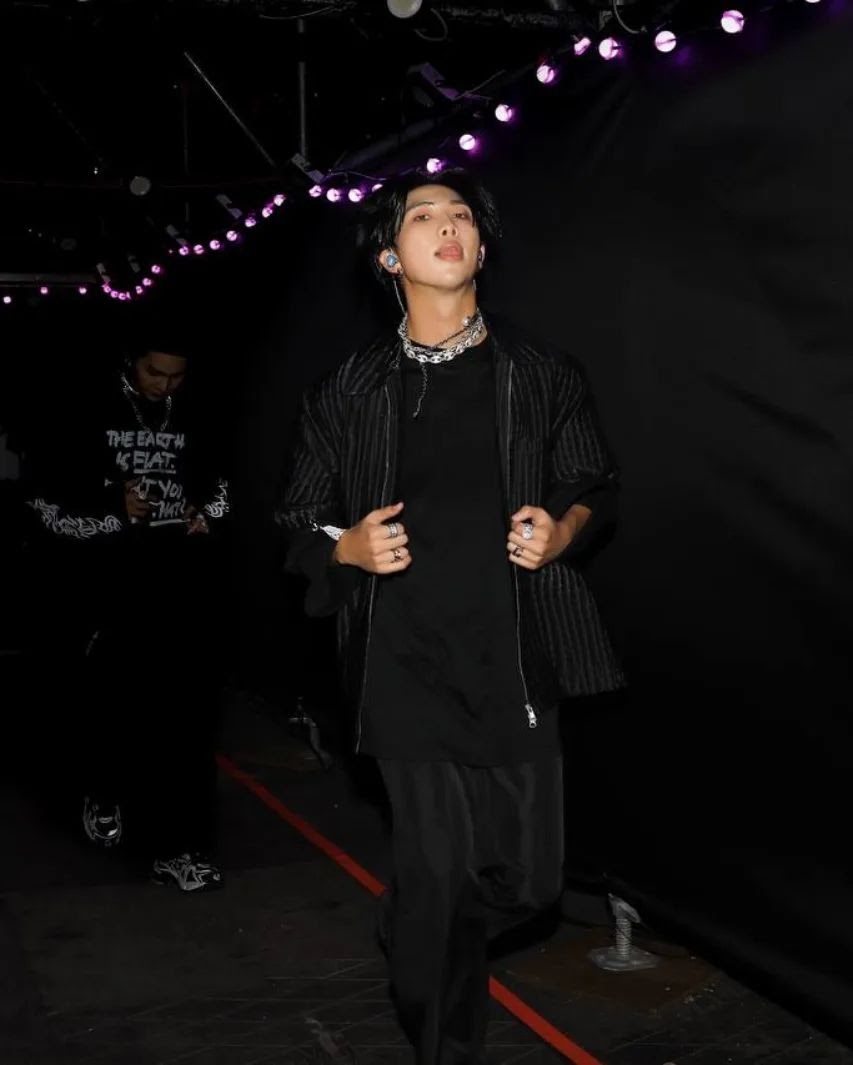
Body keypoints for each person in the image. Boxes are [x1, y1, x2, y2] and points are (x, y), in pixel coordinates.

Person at [277, 168, 624, 1062]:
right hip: (399, 662)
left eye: (461, 214)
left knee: (528, 884)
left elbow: (592, 481)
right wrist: (344, 549)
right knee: (438, 877)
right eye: (423, 215)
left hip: (515, 659)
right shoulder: (346, 389)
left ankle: (416, 924)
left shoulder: (541, 372)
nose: (447, 225)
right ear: (389, 257)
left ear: (480, 243)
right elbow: (300, 515)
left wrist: (562, 530)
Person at [23, 332, 229, 892]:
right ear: (131, 362)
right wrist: (111, 503)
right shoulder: (86, 409)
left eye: (176, 376)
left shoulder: (196, 412)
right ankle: (103, 788)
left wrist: (206, 513)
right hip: (103, 582)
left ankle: (177, 846)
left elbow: (224, 484)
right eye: (154, 372)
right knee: (108, 702)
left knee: (182, 712)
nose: (165, 385)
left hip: (176, 580)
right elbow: (43, 499)